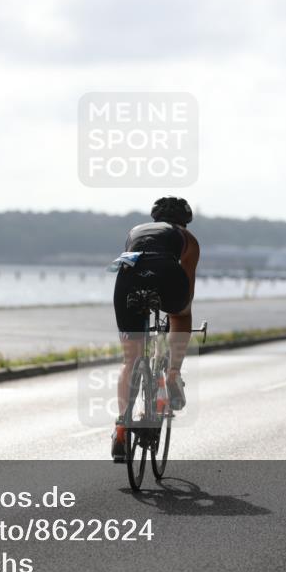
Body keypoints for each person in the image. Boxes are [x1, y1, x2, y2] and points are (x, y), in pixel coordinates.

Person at [110, 197, 200, 462]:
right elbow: (188, 289)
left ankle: (121, 429)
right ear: (185, 221)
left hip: (128, 271)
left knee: (130, 359)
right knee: (182, 312)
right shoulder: (188, 239)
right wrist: (178, 308)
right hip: (167, 271)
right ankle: (172, 374)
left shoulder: (135, 231)